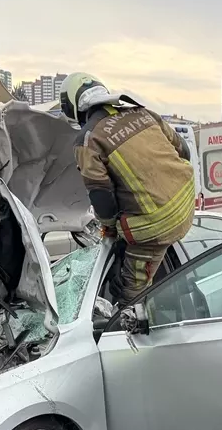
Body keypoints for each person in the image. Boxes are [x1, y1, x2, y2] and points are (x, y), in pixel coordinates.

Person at [60, 72, 196, 303]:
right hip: (186, 203)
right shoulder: (142, 113)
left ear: (71, 105)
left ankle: (131, 332)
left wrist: (110, 228)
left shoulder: (89, 139)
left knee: (131, 292)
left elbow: (101, 196)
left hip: (154, 224)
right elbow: (184, 151)